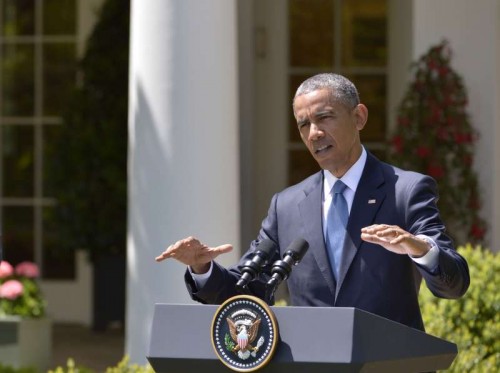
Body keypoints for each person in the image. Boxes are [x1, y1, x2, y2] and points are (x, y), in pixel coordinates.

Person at [156, 73, 469, 331]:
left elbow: (453, 284)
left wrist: (422, 250)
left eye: (325, 117)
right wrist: (203, 268)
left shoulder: (406, 190)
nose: (314, 133)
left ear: (359, 117)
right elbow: (247, 292)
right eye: (304, 124)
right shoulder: (287, 205)